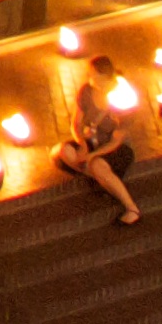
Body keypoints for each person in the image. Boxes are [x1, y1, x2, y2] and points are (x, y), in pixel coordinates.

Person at [49, 70, 143, 225]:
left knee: (96, 165)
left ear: (108, 80)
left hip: (116, 150)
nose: (90, 78)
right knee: (62, 151)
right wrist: (83, 145)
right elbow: (76, 124)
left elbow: (115, 142)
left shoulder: (124, 99)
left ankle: (132, 208)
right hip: (92, 143)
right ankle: (103, 179)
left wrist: (91, 156)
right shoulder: (86, 91)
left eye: (96, 77)